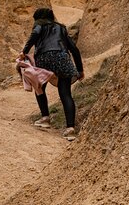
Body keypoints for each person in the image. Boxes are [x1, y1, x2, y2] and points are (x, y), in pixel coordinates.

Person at [19, 8, 84, 137]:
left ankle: (45, 118)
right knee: (65, 94)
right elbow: (74, 49)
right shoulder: (62, 28)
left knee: (39, 87)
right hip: (62, 57)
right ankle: (70, 128)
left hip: (44, 58)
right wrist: (80, 69)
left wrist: (24, 51)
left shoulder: (39, 25)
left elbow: (35, 35)